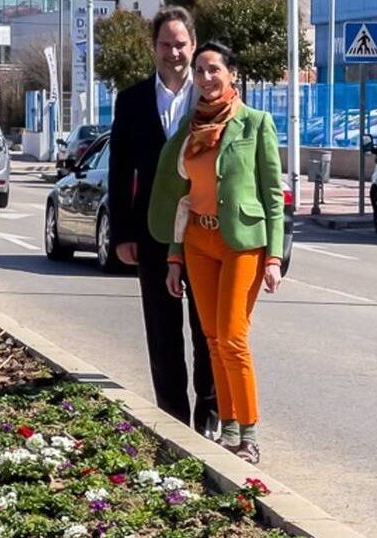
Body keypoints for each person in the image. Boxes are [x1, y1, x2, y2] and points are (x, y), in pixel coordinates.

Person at [147, 41, 285, 465]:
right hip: (197, 242)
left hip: (243, 243)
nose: (206, 79)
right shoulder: (190, 130)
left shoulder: (255, 124)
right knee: (211, 339)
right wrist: (174, 256)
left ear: (232, 74)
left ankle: (249, 434)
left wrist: (275, 258)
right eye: (200, 71)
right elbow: (181, 198)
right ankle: (227, 429)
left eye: (214, 71)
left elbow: (273, 195)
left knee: (233, 337)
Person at [107, 5, 219, 439]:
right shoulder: (132, 100)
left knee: (207, 327)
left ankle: (208, 419)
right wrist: (121, 234)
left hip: (205, 229)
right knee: (162, 327)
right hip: (153, 231)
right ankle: (173, 418)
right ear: (153, 48)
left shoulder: (212, 94)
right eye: (166, 44)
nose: (174, 53)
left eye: (181, 44)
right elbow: (120, 172)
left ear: (193, 46)